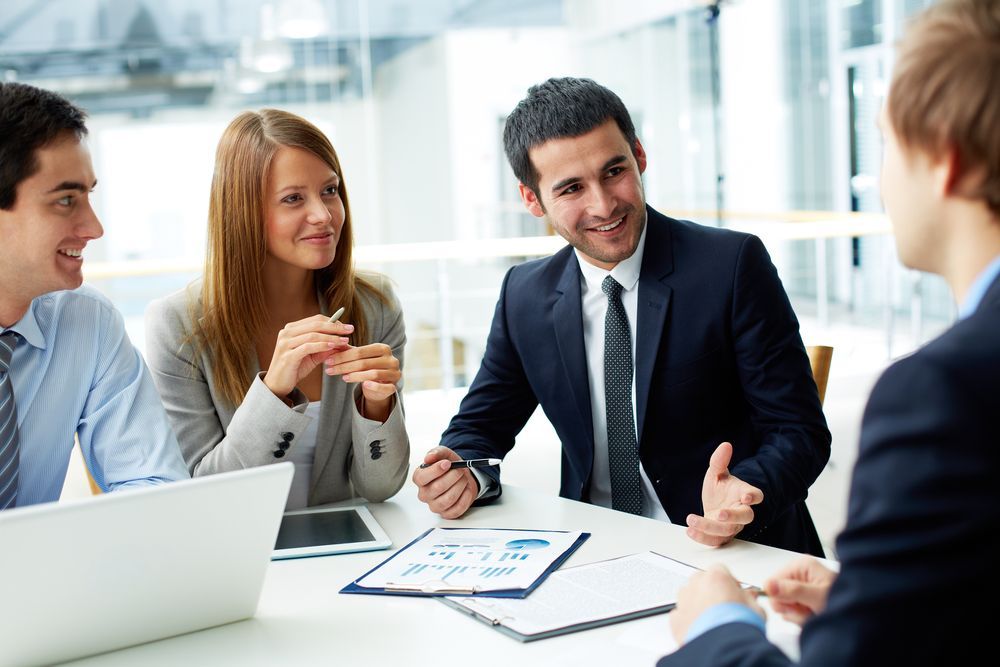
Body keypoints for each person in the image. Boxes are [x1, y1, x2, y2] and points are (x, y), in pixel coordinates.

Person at [662, 1, 1000, 663]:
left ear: (944, 159)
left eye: (885, 139)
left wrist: (718, 626)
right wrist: (875, 597)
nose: (878, 180)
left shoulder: (942, 392)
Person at [412, 77, 831, 556]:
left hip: (730, 546)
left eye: (614, 171)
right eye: (571, 188)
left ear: (639, 155)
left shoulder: (732, 266)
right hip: (593, 548)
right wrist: (463, 473)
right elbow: (479, 428)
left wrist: (746, 491)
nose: (604, 205)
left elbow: (798, 431)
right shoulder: (524, 295)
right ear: (533, 200)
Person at [145, 109, 409, 509]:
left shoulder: (375, 306)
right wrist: (273, 392)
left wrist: (377, 404)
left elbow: (380, 487)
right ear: (243, 212)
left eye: (330, 190)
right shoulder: (178, 325)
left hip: (346, 553)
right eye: (293, 199)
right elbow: (203, 494)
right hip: (236, 556)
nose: (323, 215)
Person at [0, 82, 189, 509]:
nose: (94, 228)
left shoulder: (87, 322)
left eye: (88, 195)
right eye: (66, 200)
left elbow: (154, 483)